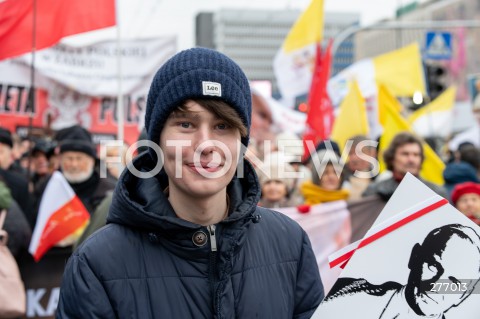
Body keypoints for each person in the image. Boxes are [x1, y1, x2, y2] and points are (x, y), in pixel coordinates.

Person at [57, 47, 324, 318]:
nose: (205, 145)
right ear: (156, 140)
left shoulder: (290, 243)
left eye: (222, 126)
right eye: (186, 124)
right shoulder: (96, 264)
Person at [317, 224, 480, 319]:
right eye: (433, 266)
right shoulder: (344, 294)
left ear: (465, 294)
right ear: (414, 257)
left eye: (454, 283)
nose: (436, 285)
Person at [363, 132, 447, 200]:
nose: (411, 159)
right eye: (405, 154)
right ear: (392, 158)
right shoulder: (374, 191)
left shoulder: (436, 193)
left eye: (416, 155)